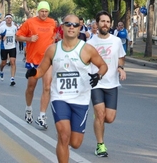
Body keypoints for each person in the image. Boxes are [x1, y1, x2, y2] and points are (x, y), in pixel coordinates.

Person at [25, 14, 108, 163]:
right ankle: (62, 145)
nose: (71, 27)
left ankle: (64, 143)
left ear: (80, 28)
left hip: (80, 100)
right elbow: (41, 70)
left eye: (75, 25)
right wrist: (34, 73)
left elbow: (103, 66)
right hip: (60, 98)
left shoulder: (87, 49)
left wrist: (98, 76)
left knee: (75, 143)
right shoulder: (52, 49)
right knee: (64, 136)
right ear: (62, 27)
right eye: (68, 24)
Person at [86, 11, 126, 157]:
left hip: (112, 83)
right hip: (96, 83)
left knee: (109, 118)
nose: (105, 24)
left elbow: (121, 57)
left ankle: (98, 118)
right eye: (102, 21)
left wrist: (120, 68)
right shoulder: (90, 43)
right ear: (97, 24)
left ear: (110, 24)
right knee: (100, 114)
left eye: (108, 22)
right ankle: (100, 145)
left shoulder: (116, 41)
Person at [16, 1, 56, 129]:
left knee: (47, 87)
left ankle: (42, 116)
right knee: (31, 87)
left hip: (48, 60)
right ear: (38, 11)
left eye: (46, 11)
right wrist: (28, 39)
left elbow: (56, 36)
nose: (44, 14)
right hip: (33, 60)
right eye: (42, 11)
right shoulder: (30, 22)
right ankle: (28, 109)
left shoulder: (52, 23)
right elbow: (18, 36)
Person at [0, 14, 18, 86]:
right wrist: (1, 37)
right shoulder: (2, 28)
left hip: (12, 46)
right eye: (7, 18)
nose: (9, 20)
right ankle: (1, 70)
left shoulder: (14, 27)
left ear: (12, 19)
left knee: (12, 62)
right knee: (3, 63)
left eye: (10, 18)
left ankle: (12, 78)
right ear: (5, 20)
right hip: (4, 47)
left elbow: (16, 35)